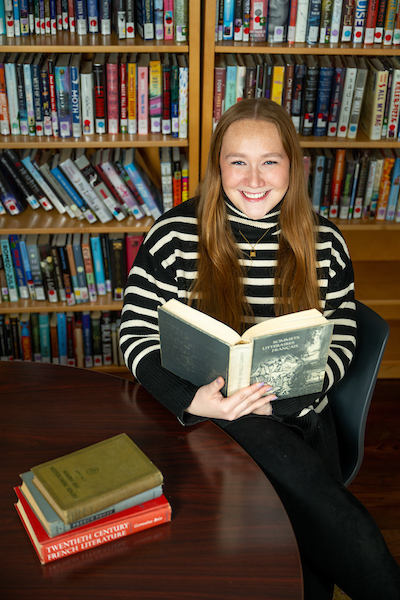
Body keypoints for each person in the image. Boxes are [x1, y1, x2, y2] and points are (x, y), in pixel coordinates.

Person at [120, 98, 400, 600]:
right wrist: (195, 401)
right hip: (206, 423)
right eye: (238, 162)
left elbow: (341, 341)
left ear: (293, 165)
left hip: (298, 420)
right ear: (217, 167)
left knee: (287, 486)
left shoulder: (325, 243)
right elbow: (135, 333)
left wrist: (276, 403)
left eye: (269, 161)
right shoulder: (174, 234)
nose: (254, 180)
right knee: (304, 512)